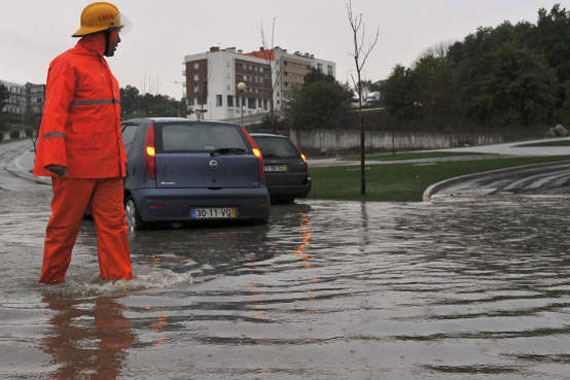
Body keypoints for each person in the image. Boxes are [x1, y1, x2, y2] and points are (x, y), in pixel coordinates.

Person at [34, 2, 132, 284]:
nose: (120, 40)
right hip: (74, 167)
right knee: (64, 229)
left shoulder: (104, 69)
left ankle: (118, 286)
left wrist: (120, 162)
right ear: (104, 33)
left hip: (109, 168)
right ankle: (51, 287)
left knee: (115, 228)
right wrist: (54, 157)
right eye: (117, 33)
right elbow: (54, 112)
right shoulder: (66, 64)